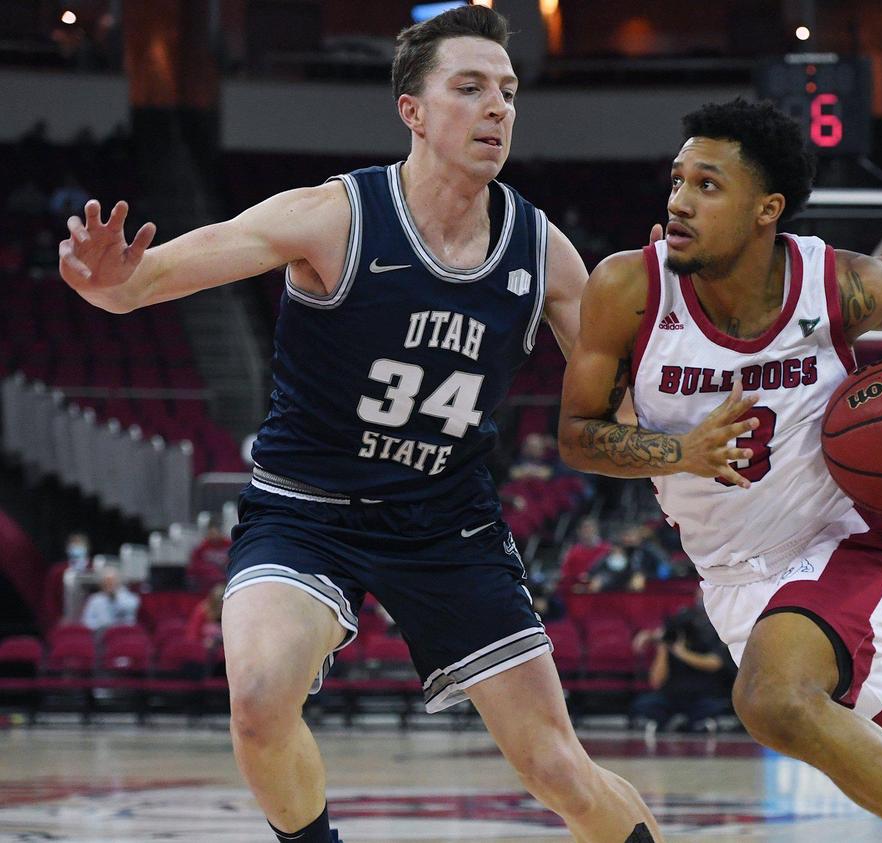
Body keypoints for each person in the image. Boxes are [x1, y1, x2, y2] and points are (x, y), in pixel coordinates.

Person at [57, 8, 661, 843]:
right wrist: (110, 284)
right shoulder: (333, 216)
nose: (498, 109)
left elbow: (623, 408)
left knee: (557, 767)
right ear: (412, 109)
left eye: (509, 92)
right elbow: (150, 278)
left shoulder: (543, 251)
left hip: (449, 523)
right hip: (307, 510)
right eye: (471, 87)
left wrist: (671, 347)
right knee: (260, 700)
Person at [559, 98, 882, 843]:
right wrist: (679, 452)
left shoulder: (834, 284)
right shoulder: (628, 290)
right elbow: (576, 435)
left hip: (848, 545)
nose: (679, 201)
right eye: (677, 181)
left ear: (766, 209)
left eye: (707, 185)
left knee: (770, 698)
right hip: (735, 584)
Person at [631, 595, 735, 736]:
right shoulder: (671, 640)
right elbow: (656, 682)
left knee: (714, 707)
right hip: (672, 695)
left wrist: (683, 654)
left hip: (701, 694)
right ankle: (669, 722)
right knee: (643, 705)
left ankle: (694, 723)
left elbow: (715, 663)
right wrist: (663, 649)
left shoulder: (712, 632)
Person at [81, 568, 140, 633]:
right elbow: (86, 622)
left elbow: (130, 609)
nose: (109, 584)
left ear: (118, 582)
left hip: (124, 634)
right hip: (102, 634)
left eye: (112, 581)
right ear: (102, 584)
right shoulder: (94, 599)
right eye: (106, 582)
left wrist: (115, 597)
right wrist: (103, 624)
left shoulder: (129, 597)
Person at [187, 523, 232, 593]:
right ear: (208, 535)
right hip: (208, 585)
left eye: (216, 533)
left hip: (228, 580)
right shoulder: (201, 548)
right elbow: (194, 567)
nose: (214, 536)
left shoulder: (229, 544)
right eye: (212, 534)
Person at [186, 583, 226, 650]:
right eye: (219, 603)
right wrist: (204, 643)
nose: (221, 606)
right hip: (203, 649)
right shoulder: (202, 611)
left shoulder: (231, 612)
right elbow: (192, 637)